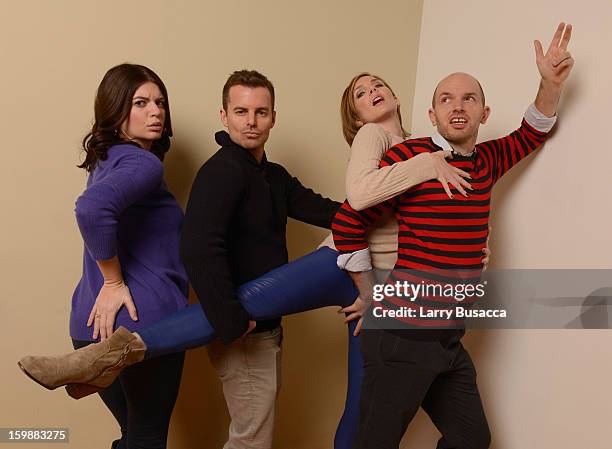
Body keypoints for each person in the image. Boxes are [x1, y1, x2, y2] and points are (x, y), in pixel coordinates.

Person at [17, 68, 484, 449]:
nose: (251, 121)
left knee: (361, 404)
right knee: (248, 437)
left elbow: (331, 208)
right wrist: (231, 318)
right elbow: (199, 248)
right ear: (224, 115)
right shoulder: (222, 171)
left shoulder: (277, 175)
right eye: (240, 111)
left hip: (380, 288)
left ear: (273, 118)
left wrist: (465, 243)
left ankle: (106, 359)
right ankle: (112, 354)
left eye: (260, 112)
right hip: (249, 319)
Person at [332, 23, 574, 449]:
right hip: (401, 335)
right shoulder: (411, 155)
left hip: (447, 337)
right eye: (446, 99)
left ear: (484, 112)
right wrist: (369, 294)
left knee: (471, 438)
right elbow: (348, 221)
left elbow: (532, 131)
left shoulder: (488, 159)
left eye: (469, 98)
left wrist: (548, 83)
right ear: (432, 115)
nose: (457, 106)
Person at [20, 64, 188, 449]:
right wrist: (114, 282)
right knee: (146, 437)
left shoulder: (105, 160)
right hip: (139, 325)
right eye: (141, 103)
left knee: (132, 435)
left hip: (89, 327)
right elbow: (92, 210)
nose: (156, 111)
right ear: (115, 111)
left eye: (160, 102)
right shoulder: (142, 163)